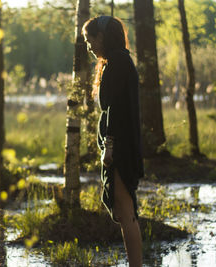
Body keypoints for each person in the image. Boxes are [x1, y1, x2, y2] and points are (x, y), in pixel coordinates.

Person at [83, 16, 144, 267]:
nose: (89, 46)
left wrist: (108, 148)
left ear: (103, 37)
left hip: (119, 148)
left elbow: (116, 111)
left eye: (91, 39)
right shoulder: (117, 61)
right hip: (121, 145)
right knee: (123, 210)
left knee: (126, 211)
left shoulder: (117, 62)